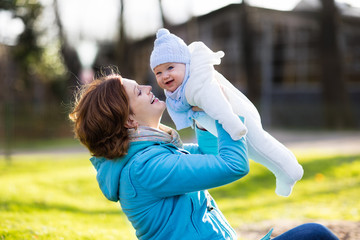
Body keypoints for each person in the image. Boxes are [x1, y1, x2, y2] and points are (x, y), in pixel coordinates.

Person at [69, 67, 339, 240]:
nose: (149, 87)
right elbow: (234, 165)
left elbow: (212, 154)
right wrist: (224, 113)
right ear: (129, 121)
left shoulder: (154, 155)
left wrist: (202, 113)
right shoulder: (144, 168)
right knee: (315, 235)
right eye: (138, 91)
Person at [150, 28, 303, 197]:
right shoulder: (181, 87)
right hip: (224, 123)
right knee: (258, 150)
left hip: (236, 120)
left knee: (260, 147)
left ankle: (290, 172)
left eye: (170, 67)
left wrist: (234, 125)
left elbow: (219, 105)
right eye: (158, 72)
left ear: (185, 65)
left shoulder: (197, 85)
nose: (165, 76)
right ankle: (285, 171)